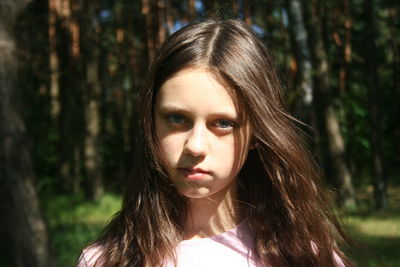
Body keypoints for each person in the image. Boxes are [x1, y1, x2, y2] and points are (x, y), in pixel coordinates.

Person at [77, 19, 352, 267]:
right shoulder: (105, 260)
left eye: (223, 123)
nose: (195, 146)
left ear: (258, 133)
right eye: (176, 118)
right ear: (151, 122)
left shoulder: (308, 259)